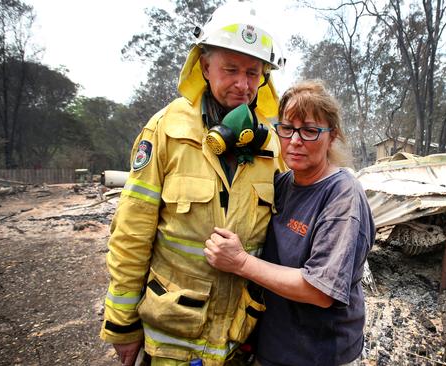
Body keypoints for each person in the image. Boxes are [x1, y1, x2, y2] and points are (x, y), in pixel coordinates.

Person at [99, 2, 286, 365]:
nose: (242, 84)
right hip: (173, 341)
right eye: (230, 69)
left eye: (252, 72)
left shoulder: (270, 144)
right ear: (204, 66)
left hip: (239, 342)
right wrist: (122, 324)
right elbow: (132, 233)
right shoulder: (166, 130)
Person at [204, 80, 375, 366]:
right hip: (274, 345)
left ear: (332, 136)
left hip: (318, 353)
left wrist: (240, 262)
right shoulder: (282, 184)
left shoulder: (342, 195)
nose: (295, 140)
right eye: (287, 128)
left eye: (309, 131)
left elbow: (319, 291)